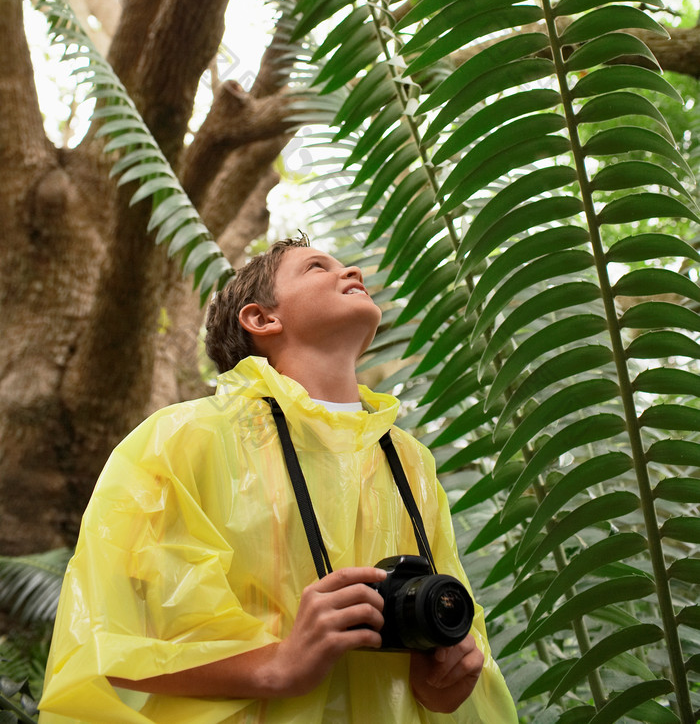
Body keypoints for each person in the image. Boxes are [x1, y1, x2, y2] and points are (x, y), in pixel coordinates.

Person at [39, 235, 518, 724]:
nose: (351, 272)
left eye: (347, 266)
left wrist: (445, 678)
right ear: (262, 318)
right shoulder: (183, 437)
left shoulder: (408, 459)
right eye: (316, 267)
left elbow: (452, 650)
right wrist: (275, 667)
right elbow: (109, 642)